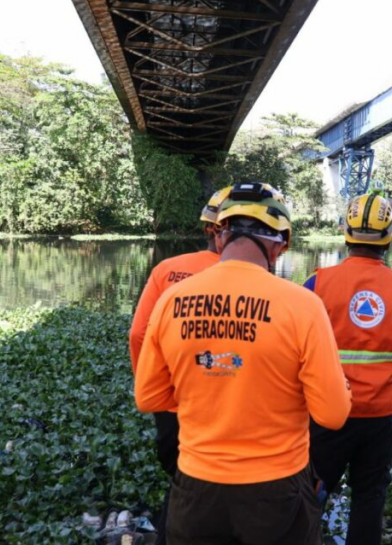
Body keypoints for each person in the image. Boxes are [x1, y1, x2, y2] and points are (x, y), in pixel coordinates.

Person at [134, 182, 352, 545]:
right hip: (276, 491)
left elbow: (148, 397)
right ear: (279, 245)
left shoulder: (172, 299)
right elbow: (331, 415)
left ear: (220, 238)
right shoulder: (301, 305)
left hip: (195, 488)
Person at [304, 192, 392, 545]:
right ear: (389, 235)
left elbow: (290, 346)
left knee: (312, 490)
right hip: (379, 417)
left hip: (327, 414)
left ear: (345, 231)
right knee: (369, 495)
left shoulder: (317, 284)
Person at [128, 185, 230, 544]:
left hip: (169, 400)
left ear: (209, 228)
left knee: (180, 473)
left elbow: (139, 335)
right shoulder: (252, 281)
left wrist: (152, 388)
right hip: (219, 399)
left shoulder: (167, 270)